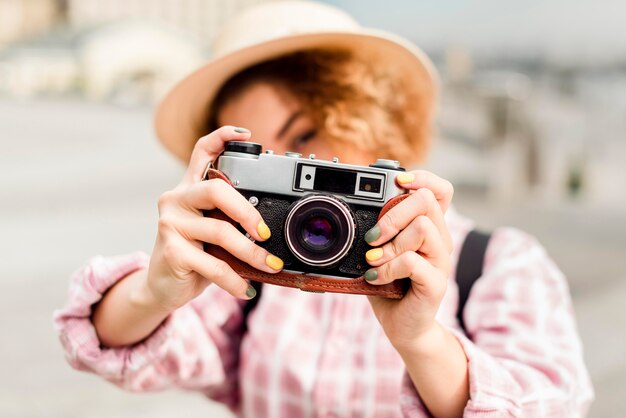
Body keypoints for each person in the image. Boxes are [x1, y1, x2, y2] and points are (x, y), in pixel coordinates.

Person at [53, 1, 593, 417]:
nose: (303, 197)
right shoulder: (250, 283)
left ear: (371, 116)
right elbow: (119, 342)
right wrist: (155, 290)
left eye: (306, 137)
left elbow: (553, 403)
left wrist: (422, 339)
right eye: (266, 169)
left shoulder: (497, 266)